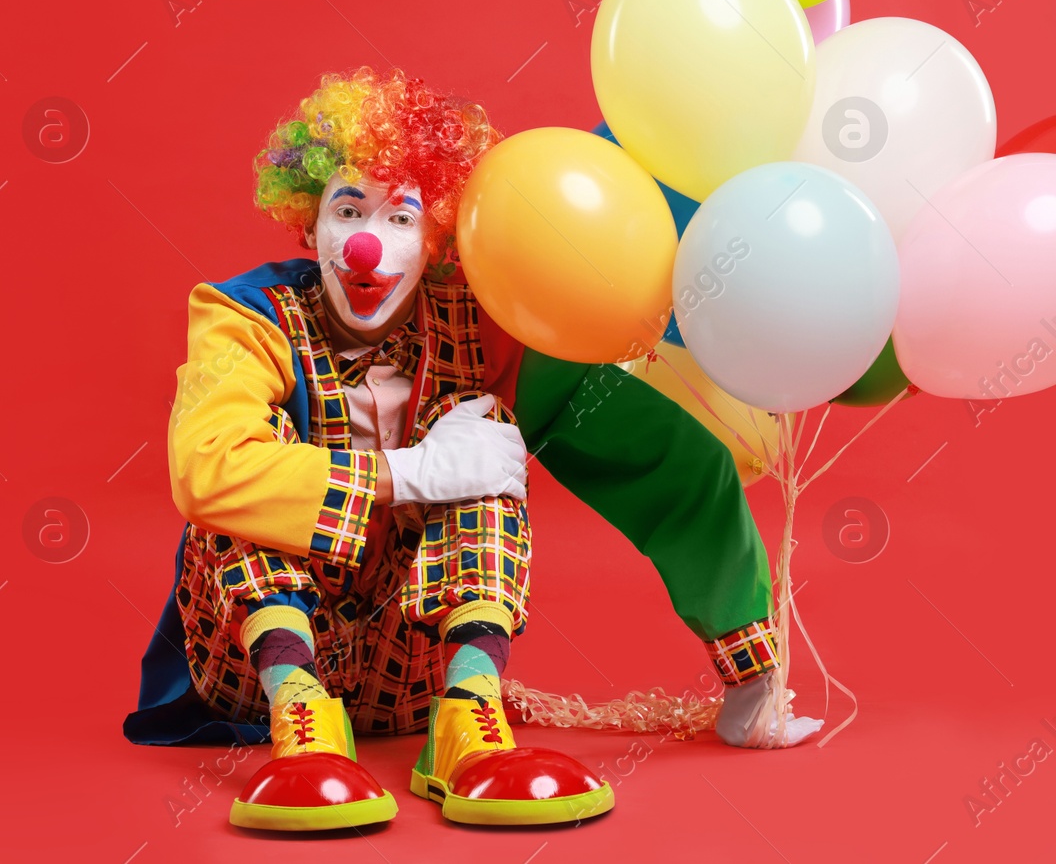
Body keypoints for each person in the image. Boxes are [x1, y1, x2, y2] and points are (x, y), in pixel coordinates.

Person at [124, 67, 820, 830]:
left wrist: (751, 663)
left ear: (436, 234)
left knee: (485, 441)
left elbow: (657, 462)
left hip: (414, 673)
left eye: (400, 220)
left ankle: (469, 726)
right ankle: (305, 727)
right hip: (255, 668)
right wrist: (407, 471)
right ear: (308, 223)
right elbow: (204, 466)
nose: (367, 244)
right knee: (249, 469)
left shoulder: (485, 325)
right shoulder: (247, 316)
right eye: (348, 209)